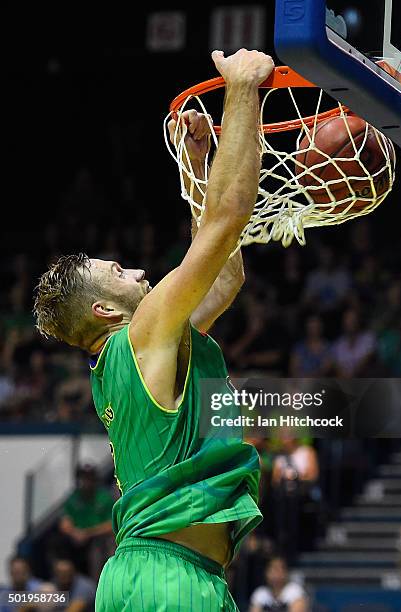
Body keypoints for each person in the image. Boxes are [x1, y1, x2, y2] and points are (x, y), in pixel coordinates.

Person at [33, 48, 275, 611]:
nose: (138, 271)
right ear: (103, 311)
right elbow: (228, 220)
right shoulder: (141, 337)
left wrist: (196, 163)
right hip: (168, 582)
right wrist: (242, 89)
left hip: (152, 577)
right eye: (116, 272)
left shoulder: (132, 358)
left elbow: (225, 274)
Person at [57, 464, 115, 580]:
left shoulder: (104, 497)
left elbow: (111, 525)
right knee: (56, 543)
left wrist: (87, 533)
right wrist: (74, 533)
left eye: (90, 478)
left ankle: (96, 584)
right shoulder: (73, 498)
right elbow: (64, 524)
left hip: (97, 539)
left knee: (97, 550)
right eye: (84, 478)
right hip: (76, 538)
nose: (87, 482)